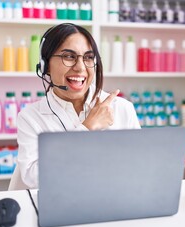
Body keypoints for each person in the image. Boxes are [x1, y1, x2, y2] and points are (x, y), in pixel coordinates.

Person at [12, 23, 141, 189]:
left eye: (88, 57)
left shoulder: (122, 109)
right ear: (46, 66)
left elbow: (137, 169)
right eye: (69, 56)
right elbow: (34, 178)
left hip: (112, 202)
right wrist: (87, 128)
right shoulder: (31, 117)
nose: (80, 68)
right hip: (58, 205)